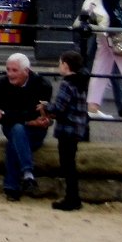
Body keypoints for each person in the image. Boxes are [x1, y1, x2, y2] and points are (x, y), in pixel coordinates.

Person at [0, 52, 53, 202]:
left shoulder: (42, 85)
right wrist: (25, 119)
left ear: (26, 71)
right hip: (11, 127)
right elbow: (2, 120)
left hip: (36, 131)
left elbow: (38, 115)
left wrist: (7, 114)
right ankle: (28, 173)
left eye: (14, 70)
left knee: (16, 137)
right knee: (16, 130)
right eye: (8, 69)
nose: (10, 74)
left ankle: (12, 187)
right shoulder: (1, 85)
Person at [46, 49, 90, 211]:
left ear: (65, 65)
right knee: (70, 163)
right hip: (77, 128)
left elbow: (59, 108)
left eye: (60, 63)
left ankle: (72, 198)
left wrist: (45, 106)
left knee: (67, 165)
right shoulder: (80, 82)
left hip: (67, 129)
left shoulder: (67, 84)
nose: (59, 66)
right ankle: (73, 197)